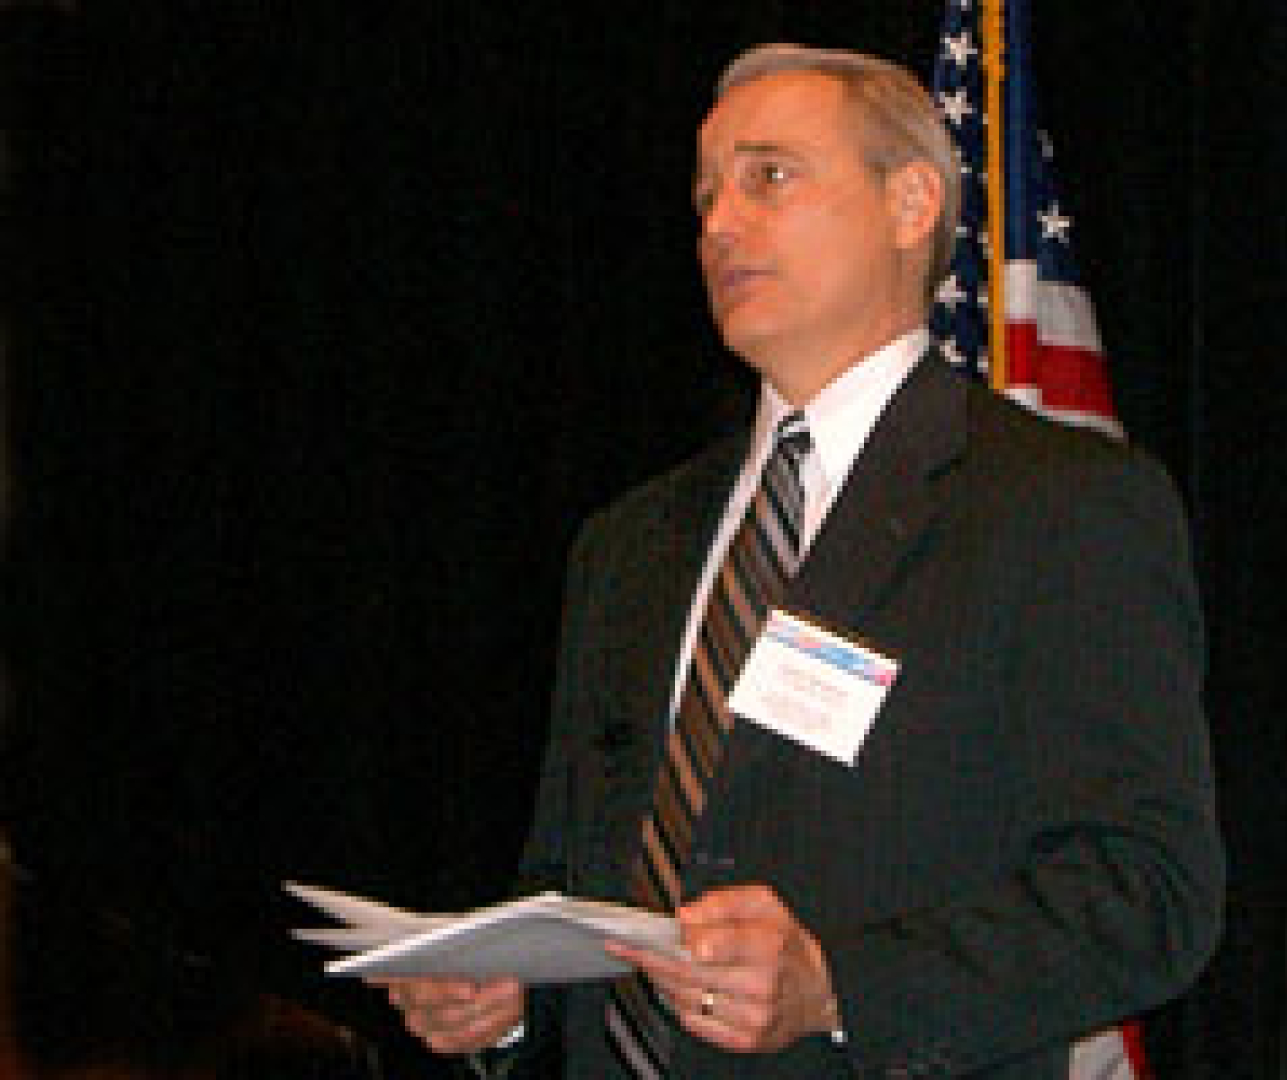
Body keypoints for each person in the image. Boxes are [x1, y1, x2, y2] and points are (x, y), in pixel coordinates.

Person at [380, 43, 1224, 1078]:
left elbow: (1148, 896)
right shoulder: (630, 544)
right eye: (705, 197)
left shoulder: (1060, 507)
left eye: (768, 177)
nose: (719, 226)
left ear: (911, 204)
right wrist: (507, 999)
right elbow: (579, 889)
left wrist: (838, 987)